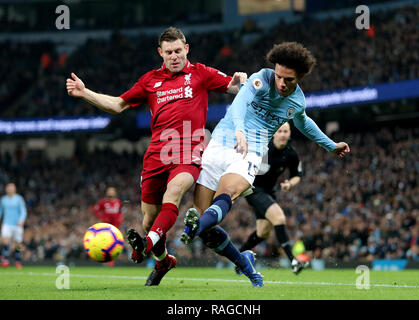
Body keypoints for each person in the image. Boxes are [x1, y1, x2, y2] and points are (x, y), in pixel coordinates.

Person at [66, 27, 247, 286]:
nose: (174, 56)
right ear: (160, 53)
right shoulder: (150, 81)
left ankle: (144, 246)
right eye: (169, 52)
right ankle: (163, 260)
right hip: (156, 154)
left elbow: (233, 86)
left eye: (178, 51)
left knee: (173, 192)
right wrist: (85, 93)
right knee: (149, 218)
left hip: (190, 150)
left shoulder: (200, 73)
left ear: (187, 49)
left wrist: (244, 81)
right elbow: (118, 105)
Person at [180, 42, 350, 287]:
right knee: (205, 222)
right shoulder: (261, 79)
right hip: (219, 143)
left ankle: (190, 232)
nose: (281, 83)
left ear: (300, 78)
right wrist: (239, 129)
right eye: (279, 76)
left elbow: (303, 123)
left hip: (250, 153)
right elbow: (239, 102)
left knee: (225, 195)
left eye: (288, 80)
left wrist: (330, 145)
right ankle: (242, 260)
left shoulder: (297, 102)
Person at [238, 122, 308, 274]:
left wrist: (290, 184)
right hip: (253, 190)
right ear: (275, 133)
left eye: (286, 131)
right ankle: (293, 261)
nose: (283, 134)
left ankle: (238, 258)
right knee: (279, 218)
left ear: (289, 134)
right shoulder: (263, 148)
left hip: (269, 192)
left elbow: (297, 175)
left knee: (263, 232)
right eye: (280, 131)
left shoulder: (291, 153)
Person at [93, 187, 123, 267]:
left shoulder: (118, 202)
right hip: (106, 228)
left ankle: (111, 261)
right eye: (109, 192)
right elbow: (96, 211)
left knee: (114, 245)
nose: (111, 193)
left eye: (112, 192)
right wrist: (101, 217)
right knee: (106, 244)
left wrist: (120, 220)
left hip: (116, 228)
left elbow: (120, 212)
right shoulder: (103, 202)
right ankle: (105, 260)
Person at [0, 183, 27, 269]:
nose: (10, 189)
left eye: (12, 188)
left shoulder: (19, 199)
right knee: (5, 241)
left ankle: (18, 260)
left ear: (15, 189)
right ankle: (5, 260)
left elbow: (23, 211)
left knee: (18, 244)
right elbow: (0, 211)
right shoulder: (3, 200)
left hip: (17, 224)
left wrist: (21, 220)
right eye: (9, 188)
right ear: (6, 189)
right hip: (6, 223)